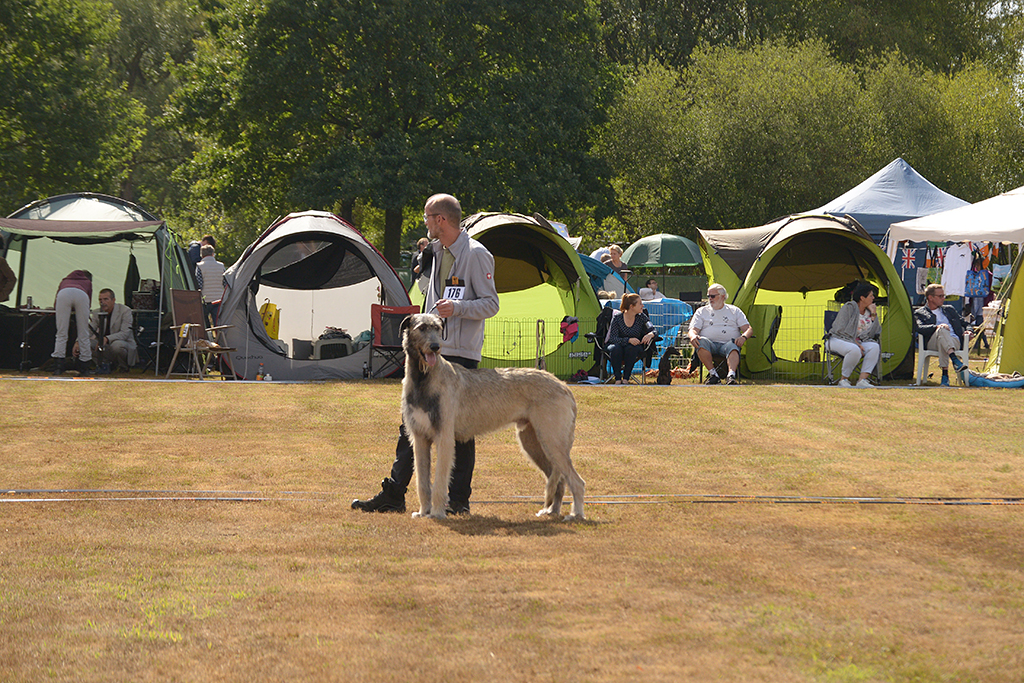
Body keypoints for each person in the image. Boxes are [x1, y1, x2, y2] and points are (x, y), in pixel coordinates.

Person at [352, 193, 499, 515]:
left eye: (427, 217)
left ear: (440, 220)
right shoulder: (435, 252)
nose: (425, 223)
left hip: (459, 353)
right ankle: (395, 492)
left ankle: (457, 501)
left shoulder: (476, 254)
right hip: (428, 352)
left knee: (459, 432)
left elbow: (491, 304)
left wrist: (458, 308)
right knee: (412, 425)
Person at [688, 283, 751, 385]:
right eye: (708, 296)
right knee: (700, 342)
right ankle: (713, 375)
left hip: (728, 344)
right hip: (709, 344)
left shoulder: (734, 311)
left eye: (713, 296)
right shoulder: (701, 311)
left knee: (733, 346)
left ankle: (731, 376)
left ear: (723, 296)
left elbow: (748, 329)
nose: (710, 299)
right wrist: (693, 336)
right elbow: (692, 329)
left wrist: (743, 337)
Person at [827, 283, 881, 388]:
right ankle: (843, 380)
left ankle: (862, 380)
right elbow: (840, 330)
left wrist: (874, 314)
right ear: (862, 298)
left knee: (874, 347)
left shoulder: (870, 311)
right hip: (837, 339)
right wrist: (855, 343)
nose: (873, 298)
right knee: (854, 349)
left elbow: (875, 332)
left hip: (859, 342)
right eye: (871, 296)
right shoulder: (848, 308)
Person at [914, 283, 967, 387]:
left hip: (954, 340)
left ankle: (945, 376)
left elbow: (965, 323)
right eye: (940, 296)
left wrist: (969, 331)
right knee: (942, 330)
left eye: (944, 296)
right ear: (930, 297)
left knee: (944, 339)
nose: (943, 298)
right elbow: (919, 328)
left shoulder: (949, 309)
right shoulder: (920, 312)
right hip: (932, 342)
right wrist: (936, 327)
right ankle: (954, 360)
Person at [79, 288, 136, 373]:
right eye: (100, 300)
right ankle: (105, 365)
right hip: (104, 345)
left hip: (122, 343)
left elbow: (125, 333)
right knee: (85, 343)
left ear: (113, 300)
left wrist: (107, 338)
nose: (102, 302)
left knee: (117, 345)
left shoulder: (125, 311)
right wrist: (78, 342)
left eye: (106, 299)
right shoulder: (97, 312)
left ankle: (123, 367)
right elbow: (89, 330)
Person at [606, 292, 656, 384]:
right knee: (615, 349)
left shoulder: (642, 317)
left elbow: (653, 330)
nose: (642, 305)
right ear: (632, 306)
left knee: (631, 349)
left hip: (634, 347)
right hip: (618, 345)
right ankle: (617, 378)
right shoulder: (617, 318)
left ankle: (626, 378)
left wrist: (650, 334)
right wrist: (628, 340)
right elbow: (613, 338)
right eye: (640, 303)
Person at [52, 269, 93, 375]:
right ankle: (85, 367)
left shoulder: (64, 281)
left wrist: (56, 308)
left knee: (61, 333)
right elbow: (89, 299)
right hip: (82, 295)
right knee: (83, 333)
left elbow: (57, 299)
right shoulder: (87, 282)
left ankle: (58, 366)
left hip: (63, 294)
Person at [964, 256, 991, 350]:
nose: (977, 266)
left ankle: (977, 345)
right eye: (976, 265)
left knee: (979, 323)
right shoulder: (973, 275)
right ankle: (985, 343)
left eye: (979, 265)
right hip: (975, 303)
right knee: (979, 324)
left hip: (983, 304)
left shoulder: (988, 275)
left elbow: (990, 290)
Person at [195, 244, 226, 324]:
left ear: (201, 255)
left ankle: (207, 336)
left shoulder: (199, 266)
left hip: (205, 300)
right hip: (219, 299)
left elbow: (199, 284)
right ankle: (220, 336)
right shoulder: (221, 266)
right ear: (213, 254)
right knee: (218, 324)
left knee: (205, 324)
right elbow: (225, 283)